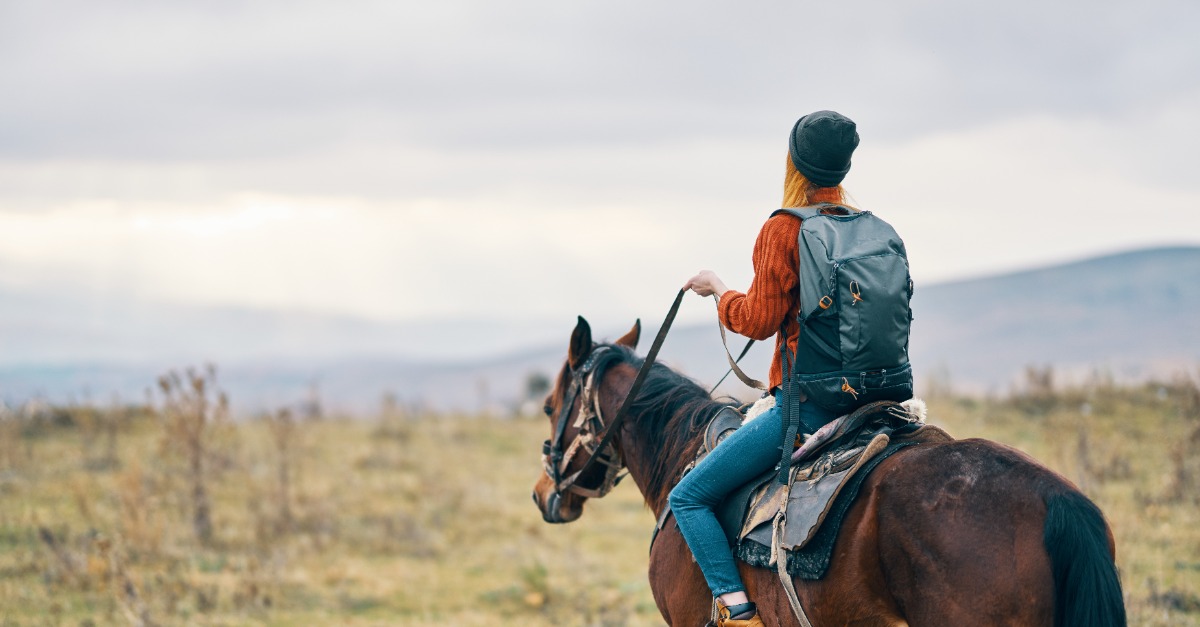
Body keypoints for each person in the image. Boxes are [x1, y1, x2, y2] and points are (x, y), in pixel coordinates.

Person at [671, 110, 862, 627]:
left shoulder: (785, 228)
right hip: (874, 402)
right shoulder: (868, 228)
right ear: (844, 165)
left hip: (808, 407)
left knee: (687, 498)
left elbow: (757, 321)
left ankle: (738, 613)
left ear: (795, 162)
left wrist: (719, 292)